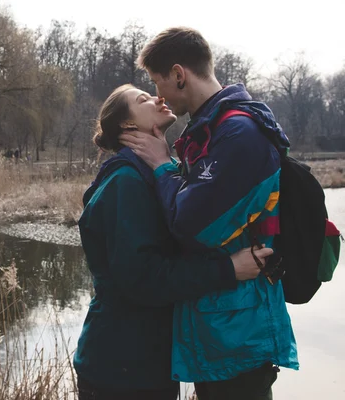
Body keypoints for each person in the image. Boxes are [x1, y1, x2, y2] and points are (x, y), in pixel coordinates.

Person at [119, 27, 298, 400]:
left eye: (157, 82)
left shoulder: (237, 134)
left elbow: (190, 227)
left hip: (238, 333)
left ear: (179, 75)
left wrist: (162, 164)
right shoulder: (210, 132)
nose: (158, 95)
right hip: (221, 326)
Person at [74, 83, 275, 400]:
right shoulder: (125, 182)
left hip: (146, 362)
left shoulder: (154, 174)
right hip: (121, 367)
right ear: (128, 125)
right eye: (144, 98)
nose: (158, 98)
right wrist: (228, 269)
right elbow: (143, 279)